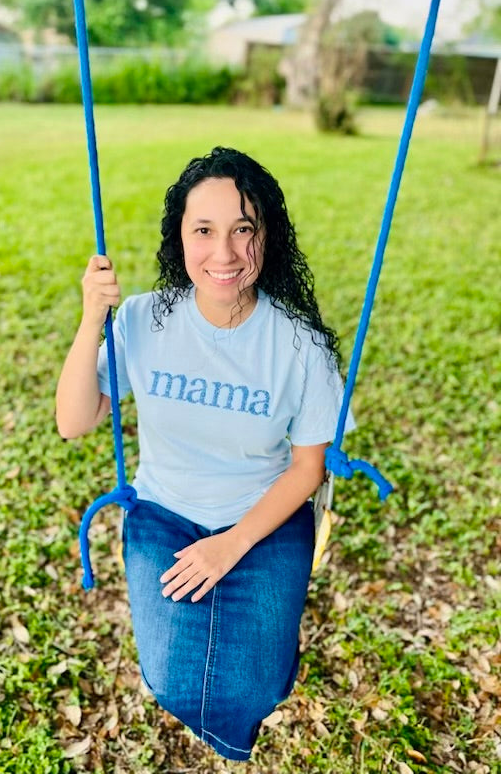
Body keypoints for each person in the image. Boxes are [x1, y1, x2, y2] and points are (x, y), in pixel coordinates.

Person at [55, 147, 354, 761]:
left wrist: (232, 543)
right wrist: (91, 321)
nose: (224, 253)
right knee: (170, 680)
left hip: (265, 514)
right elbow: (73, 422)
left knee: (262, 685)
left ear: (267, 238)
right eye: (204, 230)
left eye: (243, 229)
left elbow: (307, 468)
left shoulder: (301, 347)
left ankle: (254, 685)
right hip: (165, 511)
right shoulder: (143, 319)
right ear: (179, 237)